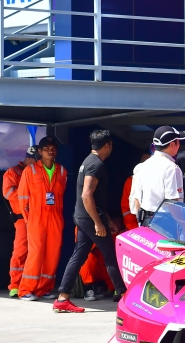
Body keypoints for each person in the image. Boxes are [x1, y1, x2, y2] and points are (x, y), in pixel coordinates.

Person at [54, 131, 129, 312]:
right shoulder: (96, 165)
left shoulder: (87, 161)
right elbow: (87, 195)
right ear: (107, 145)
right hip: (89, 218)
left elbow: (93, 198)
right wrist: (98, 222)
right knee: (110, 256)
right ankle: (125, 296)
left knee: (78, 256)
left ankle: (62, 298)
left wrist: (106, 219)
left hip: (84, 217)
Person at [16, 136, 67, 301]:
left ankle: (44, 288)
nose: (50, 151)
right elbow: (23, 197)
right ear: (39, 151)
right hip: (36, 218)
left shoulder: (62, 171)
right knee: (36, 253)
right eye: (46, 148)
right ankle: (25, 290)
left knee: (53, 253)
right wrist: (28, 219)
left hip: (55, 217)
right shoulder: (29, 171)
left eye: (53, 148)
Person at [129, 126, 185, 226]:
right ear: (172, 144)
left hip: (145, 221)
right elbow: (173, 204)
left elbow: (137, 200)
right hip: (164, 223)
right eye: (178, 142)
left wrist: (140, 224)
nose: (179, 145)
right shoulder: (172, 168)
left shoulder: (143, 165)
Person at [1, 146, 38, 298]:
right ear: (30, 158)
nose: (38, 164)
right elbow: (8, 193)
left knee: (36, 253)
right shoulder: (13, 172)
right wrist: (29, 192)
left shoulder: (37, 172)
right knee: (20, 251)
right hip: (22, 219)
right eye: (36, 161)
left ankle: (32, 285)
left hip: (37, 218)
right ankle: (15, 285)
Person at [121, 151, 151, 230]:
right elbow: (126, 209)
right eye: (143, 161)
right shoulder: (130, 180)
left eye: (147, 161)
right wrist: (135, 228)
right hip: (134, 227)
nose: (144, 164)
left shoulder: (157, 182)